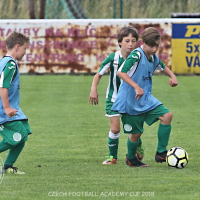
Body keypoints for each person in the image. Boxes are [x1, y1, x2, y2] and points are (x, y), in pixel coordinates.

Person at [112, 27, 178, 167]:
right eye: (152, 45)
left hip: (145, 98)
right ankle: (131, 158)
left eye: (157, 45)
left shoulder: (152, 56)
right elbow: (121, 73)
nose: (155, 49)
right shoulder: (137, 55)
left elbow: (161, 65)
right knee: (136, 134)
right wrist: (136, 86)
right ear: (144, 43)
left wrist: (172, 76)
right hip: (130, 100)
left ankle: (161, 153)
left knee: (167, 116)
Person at [88, 26, 144, 165]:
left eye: (133, 40)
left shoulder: (139, 58)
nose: (130, 44)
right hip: (113, 99)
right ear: (120, 42)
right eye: (127, 41)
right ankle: (112, 157)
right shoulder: (113, 58)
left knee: (133, 128)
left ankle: (138, 147)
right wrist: (93, 89)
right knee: (115, 128)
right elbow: (98, 74)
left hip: (131, 100)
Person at [0, 31, 31, 174]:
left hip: (13, 108)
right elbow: (3, 87)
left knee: (23, 134)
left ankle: (7, 167)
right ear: (17, 47)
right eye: (25, 48)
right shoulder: (10, 64)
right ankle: (7, 167)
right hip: (4, 110)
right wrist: (6, 108)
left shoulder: (4, 61)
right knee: (18, 135)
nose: (25, 52)